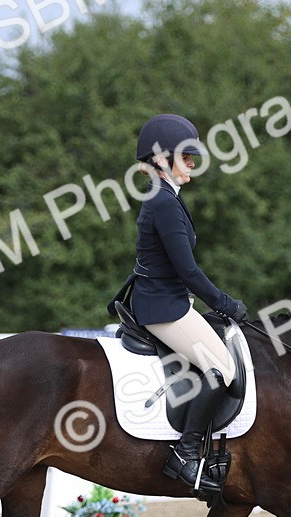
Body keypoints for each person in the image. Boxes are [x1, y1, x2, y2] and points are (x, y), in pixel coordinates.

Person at [111, 113, 248, 493]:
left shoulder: (165, 197)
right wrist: (225, 303)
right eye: (185, 156)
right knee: (220, 370)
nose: (191, 162)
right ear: (161, 159)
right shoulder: (163, 202)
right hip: (162, 307)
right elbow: (187, 271)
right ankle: (185, 455)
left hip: (164, 299)